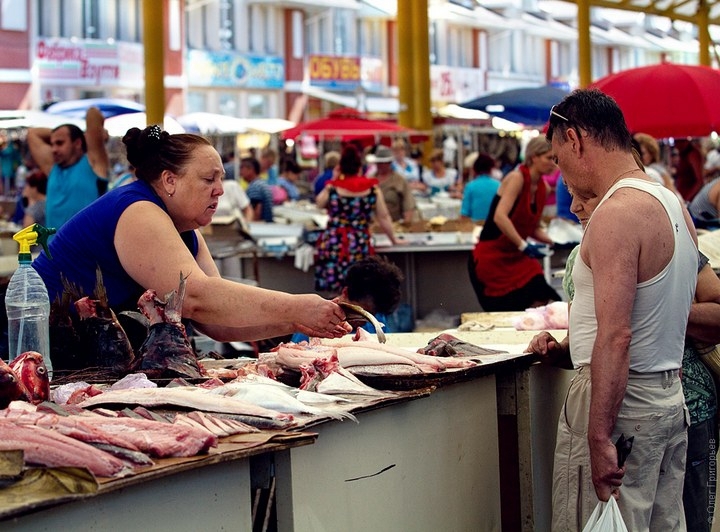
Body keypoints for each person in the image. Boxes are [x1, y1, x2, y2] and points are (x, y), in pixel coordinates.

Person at [31, 125, 351, 357]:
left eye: (221, 179)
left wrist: (301, 320)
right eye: (208, 179)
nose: (220, 190)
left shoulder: (186, 227)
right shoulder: (138, 210)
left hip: (86, 353)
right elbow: (195, 298)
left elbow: (217, 321)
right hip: (40, 350)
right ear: (170, 180)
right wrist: (298, 306)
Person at [538, 88, 698, 530]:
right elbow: (661, 315)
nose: (560, 170)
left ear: (575, 140)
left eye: (556, 156)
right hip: (667, 398)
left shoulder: (618, 212)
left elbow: (616, 335)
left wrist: (598, 435)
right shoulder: (673, 205)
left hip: (620, 405)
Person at [532, 176, 720, 532]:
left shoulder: (660, 225)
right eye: (572, 194)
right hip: (654, 407)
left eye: (585, 194)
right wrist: (556, 350)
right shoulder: (582, 255)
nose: (575, 207)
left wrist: (659, 309)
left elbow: (617, 335)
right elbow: (589, 340)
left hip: (680, 406)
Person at [468, 136, 560, 311]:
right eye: (549, 158)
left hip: (517, 258)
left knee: (546, 300)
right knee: (507, 313)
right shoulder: (516, 178)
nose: (553, 164)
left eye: (555, 159)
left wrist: (555, 242)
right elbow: (500, 217)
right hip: (492, 258)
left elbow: (532, 227)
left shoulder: (544, 189)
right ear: (533, 157)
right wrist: (523, 245)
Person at [314, 145, 398, 294]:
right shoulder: (372, 189)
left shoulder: (333, 188)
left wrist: (333, 179)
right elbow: (383, 217)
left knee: (336, 291)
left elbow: (319, 203)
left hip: (336, 243)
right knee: (360, 289)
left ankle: (336, 317)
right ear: (360, 166)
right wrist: (394, 240)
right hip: (359, 242)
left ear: (341, 167)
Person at [27, 106, 110, 229]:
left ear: (77, 143)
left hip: (86, 248)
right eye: (52, 144)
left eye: (60, 143)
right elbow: (32, 133)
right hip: (53, 247)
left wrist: (82, 134)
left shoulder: (93, 163)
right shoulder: (52, 168)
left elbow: (93, 113)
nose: (54, 149)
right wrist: (61, 133)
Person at [290, 256, 404, 343]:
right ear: (345, 293)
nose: (364, 319)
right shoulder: (315, 323)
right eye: (361, 312)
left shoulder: (377, 322)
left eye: (370, 315)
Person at [368, 145, 417, 224]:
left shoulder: (400, 181)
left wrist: (406, 222)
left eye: (384, 163)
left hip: (394, 223)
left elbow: (408, 204)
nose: (381, 165)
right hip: (373, 223)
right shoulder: (369, 180)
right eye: (379, 163)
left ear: (389, 163)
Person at [633, 132, 680, 197]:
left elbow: (671, 191)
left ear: (652, 154)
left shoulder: (654, 169)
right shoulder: (657, 167)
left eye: (643, 153)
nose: (639, 156)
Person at [460, 153, 500, 223]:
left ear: (474, 170)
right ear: (491, 169)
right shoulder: (499, 185)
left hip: (475, 226)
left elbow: (464, 213)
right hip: (494, 226)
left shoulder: (470, 186)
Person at [239, 156, 274, 222]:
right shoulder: (262, 183)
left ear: (251, 169)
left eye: (242, 168)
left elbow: (255, 214)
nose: (240, 172)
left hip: (260, 228)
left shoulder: (255, 187)